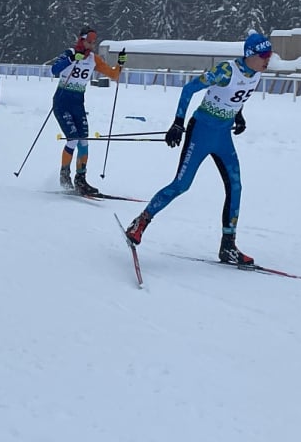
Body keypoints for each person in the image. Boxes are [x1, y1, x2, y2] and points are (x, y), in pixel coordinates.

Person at [124, 31, 273, 266]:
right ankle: (140, 223)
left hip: (222, 134)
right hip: (201, 131)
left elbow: (235, 97)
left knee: (236, 186)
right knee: (181, 185)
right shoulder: (226, 71)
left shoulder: (256, 73)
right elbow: (189, 89)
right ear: (250, 55)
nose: (268, 59)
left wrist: (239, 116)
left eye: (270, 54)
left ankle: (228, 247)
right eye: (264, 55)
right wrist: (178, 122)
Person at [50, 25, 126, 195]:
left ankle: (81, 179)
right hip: (62, 103)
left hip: (78, 104)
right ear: (82, 40)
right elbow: (54, 70)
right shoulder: (69, 53)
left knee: (84, 141)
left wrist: (120, 64)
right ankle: (64, 175)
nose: (92, 44)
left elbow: (113, 75)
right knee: (73, 139)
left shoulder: (94, 59)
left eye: (94, 41)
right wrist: (71, 59)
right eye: (90, 41)